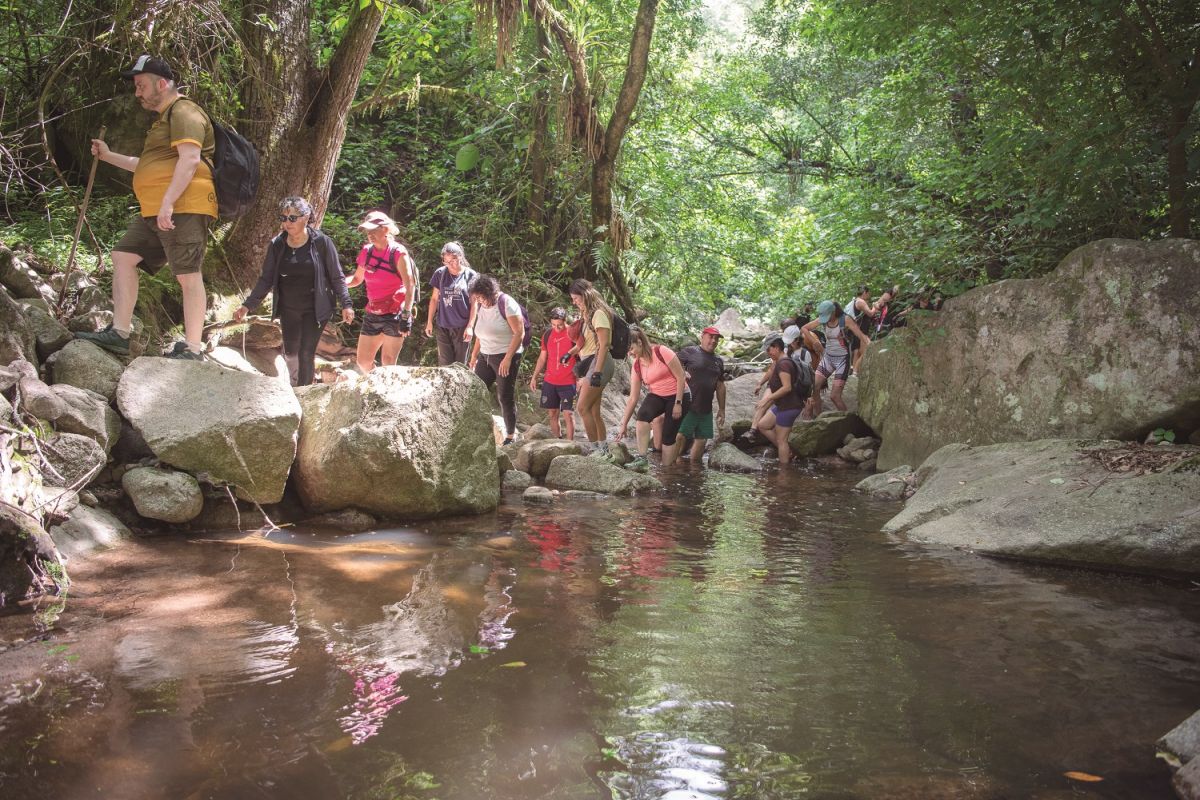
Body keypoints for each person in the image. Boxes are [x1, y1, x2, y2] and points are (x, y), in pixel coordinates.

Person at [76, 56, 216, 359]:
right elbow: (147, 166)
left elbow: (190, 159)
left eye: (141, 85)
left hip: (183, 207)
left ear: (161, 84)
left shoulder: (185, 111)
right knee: (123, 256)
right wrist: (109, 156)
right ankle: (120, 333)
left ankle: (193, 349)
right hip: (157, 209)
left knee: (187, 274)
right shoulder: (163, 121)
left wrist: (167, 202)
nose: (137, 92)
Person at [232, 196, 355, 386]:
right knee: (290, 353)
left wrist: (346, 304)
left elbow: (337, 276)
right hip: (289, 308)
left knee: (306, 352)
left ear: (306, 218)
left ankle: (303, 393)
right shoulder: (278, 245)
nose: (286, 223)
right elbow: (266, 279)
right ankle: (294, 385)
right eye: (283, 218)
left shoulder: (322, 243)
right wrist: (247, 306)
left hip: (316, 308)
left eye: (292, 218)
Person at [346, 211, 417, 373]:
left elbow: (410, 284)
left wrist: (406, 315)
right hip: (373, 312)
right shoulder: (366, 252)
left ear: (385, 229)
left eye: (374, 230)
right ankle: (375, 386)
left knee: (388, 363)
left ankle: (389, 395)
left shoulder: (398, 253)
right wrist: (336, 285)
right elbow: (357, 279)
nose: (369, 234)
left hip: (395, 313)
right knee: (363, 362)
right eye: (367, 230)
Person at [616, 327, 689, 471]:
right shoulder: (637, 365)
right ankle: (642, 459)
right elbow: (633, 398)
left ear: (639, 342)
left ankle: (666, 471)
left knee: (668, 436)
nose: (630, 353)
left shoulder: (662, 352)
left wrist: (678, 403)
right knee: (642, 416)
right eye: (628, 351)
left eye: (631, 348)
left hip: (679, 395)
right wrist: (623, 424)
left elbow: (681, 377)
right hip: (658, 395)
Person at [468, 274, 526, 445]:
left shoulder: (506, 303)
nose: (478, 300)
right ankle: (478, 427)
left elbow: (519, 333)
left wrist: (508, 359)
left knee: (504, 396)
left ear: (489, 292)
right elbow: (480, 334)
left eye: (480, 296)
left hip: (505, 355)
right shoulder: (481, 307)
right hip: (485, 355)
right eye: (475, 297)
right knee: (476, 391)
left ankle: (510, 435)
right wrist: (473, 356)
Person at [566, 279, 616, 457]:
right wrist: (569, 353)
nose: (574, 302)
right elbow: (584, 343)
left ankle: (596, 449)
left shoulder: (599, 314)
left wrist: (596, 372)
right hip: (591, 361)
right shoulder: (587, 315)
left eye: (576, 298)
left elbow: (604, 345)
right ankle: (604, 450)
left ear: (585, 295)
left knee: (582, 407)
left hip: (600, 362)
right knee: (593, 410)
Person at [802, 300, 870, 417]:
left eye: (828, 316)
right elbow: (804, 328)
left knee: (834, 396)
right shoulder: (823, 319)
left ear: (834, 312)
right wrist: (815, 341)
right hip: (828, 358)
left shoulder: (845, 320)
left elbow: (861, 335)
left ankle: (849, 421)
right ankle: (819, 417)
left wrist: (873, 346)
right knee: (815, 387)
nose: (826, 319)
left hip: (842, 361)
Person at [748, 332, 803, 464]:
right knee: (762, 425)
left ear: (777, 347)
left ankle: (784, 473)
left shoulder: (784, 364)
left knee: (781, 440)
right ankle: (788, 451)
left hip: (789, 407)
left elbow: (787, 387)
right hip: (781, 405)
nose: (768, 353)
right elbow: (771, 373)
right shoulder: (779, 362)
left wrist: (766, 399)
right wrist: (760, 384)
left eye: (769, 349)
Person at [676, 326, 728, 464]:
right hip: (688, 404)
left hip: (706, 408)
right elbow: (671, 363)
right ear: (702, 336)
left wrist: (722, 409)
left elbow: (720, 385)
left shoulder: (719, 361)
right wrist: (681, 371)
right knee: (680, 435)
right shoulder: (689, 352)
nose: (714, 341)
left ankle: (694, 470)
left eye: (716, 338)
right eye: (711, 337)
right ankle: (673, 465)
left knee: (702, 438)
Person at [528, 307, 577, 440]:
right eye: (554, 325)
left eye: (560, 325)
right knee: (552, 414)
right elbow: (542, 358)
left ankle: (570, 445)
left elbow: (582, 356)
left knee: (568, 414)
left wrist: (582, 378)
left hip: (569, 381)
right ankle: (557, 442)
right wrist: (534, 377)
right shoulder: (548, 335)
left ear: (565, 321)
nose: (557, 328)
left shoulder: (573, 333)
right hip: (550, 381)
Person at [425, 241, 477, 365]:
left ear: (460, 256)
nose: (450, 264)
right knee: (445, 364)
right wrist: (429, 322)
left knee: (459, 365)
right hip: (443, 325)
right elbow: (434, 299)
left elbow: (474, 303)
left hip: (462, 327)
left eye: (453, 260)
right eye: (446, 261)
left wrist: (470, 326)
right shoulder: (440, 273)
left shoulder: (470, 275)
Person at [846, 286, 876, 374]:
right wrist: (875, 306)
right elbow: (870, 313)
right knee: (867, 349)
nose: (869, 295)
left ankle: (854, 371)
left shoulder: (853, 301)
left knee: (857, 351)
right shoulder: (861, 301)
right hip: (861, 330)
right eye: (868, 293)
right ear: (864, 293)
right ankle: (855, 370)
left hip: (855, 329)